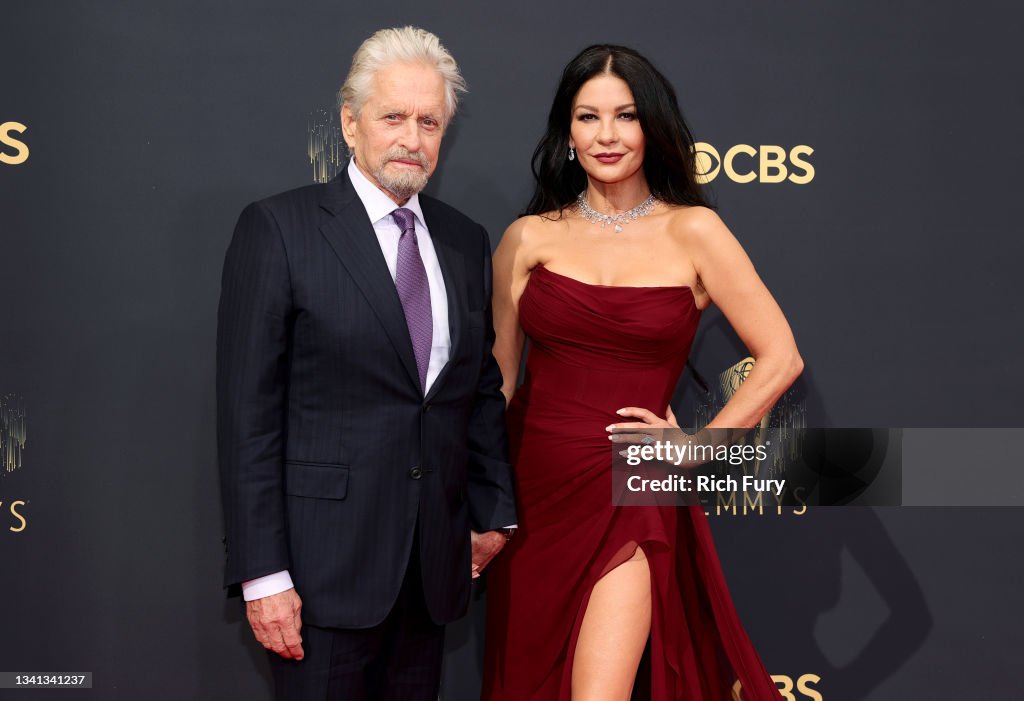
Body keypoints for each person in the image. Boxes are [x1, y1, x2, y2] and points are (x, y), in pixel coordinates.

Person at [481, 45, 803, 700]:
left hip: (633, 482)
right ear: (565, 133)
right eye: (587, 117)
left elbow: (781, 356)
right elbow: (499, 383)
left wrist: (697, 447)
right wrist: (478, 498)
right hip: (531, 490)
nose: (606, 135)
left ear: (651, 127)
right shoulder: (527, 239)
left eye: (625, 116)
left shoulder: (695, 231)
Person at [217, 26, 517, 701]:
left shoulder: (465, 241)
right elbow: (248, 417)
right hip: (320, 578)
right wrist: (263, 575)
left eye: (430, 121)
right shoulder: (279, 229)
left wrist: (495, 510)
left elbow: (480, 389)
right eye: (393, 117)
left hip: (432, 571)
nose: (412, 137)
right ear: (350, 124)